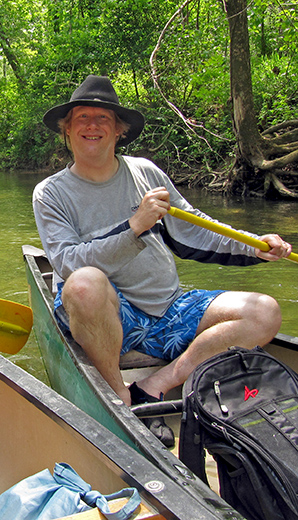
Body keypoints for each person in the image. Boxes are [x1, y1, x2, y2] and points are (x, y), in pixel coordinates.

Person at [33, 74, 292, 447]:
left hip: (169, 308)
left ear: (119, 130)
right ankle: (117, 394)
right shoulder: (51, 193)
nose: (92, 126)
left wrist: (254, 245)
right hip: (107, 316)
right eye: (82, 118)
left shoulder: (145, 172)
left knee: (264, 311)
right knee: (85, 283)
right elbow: (67, 263)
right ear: (67, 131)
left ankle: (158, 383)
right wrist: (133, 227)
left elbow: (196, 228)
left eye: (103, 118)